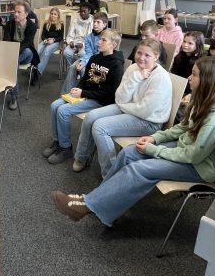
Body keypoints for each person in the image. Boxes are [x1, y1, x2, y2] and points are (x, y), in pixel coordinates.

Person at [52, 56, 215, 225]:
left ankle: (90, 205)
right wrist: (156, 137)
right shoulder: (203, 99)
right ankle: (100, 203)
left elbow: (192, 156)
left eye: (194, 74)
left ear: (208, 80)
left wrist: (153, 150)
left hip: (202, 167)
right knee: (130, 152)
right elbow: (183, 128)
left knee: (140, 168)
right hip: (189, 148)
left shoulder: (214, 119)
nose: (189, 77)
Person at [72, 38, 172, 176]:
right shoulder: (133, 69)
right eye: (139, 53)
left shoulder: (160, 78)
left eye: (147, 55)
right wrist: (136, 77)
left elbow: (145, 110)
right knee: (91, 117)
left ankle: (110, 173)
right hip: (129, 109)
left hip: (149, 121)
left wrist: (124, 105)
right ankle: (81, 157)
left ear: (156, 56)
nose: (141, 58)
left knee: (100, 127)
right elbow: (119, 98)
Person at [43, 29, 124, 165]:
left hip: (99, 101)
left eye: (104, 40)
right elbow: (84, 79)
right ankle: (57, 141)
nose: (99, 42)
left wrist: (83, 93)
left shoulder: (116, 65)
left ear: (113, 45)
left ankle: (65, 147)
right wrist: (79, 88)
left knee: (63, 111)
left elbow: (109, 93)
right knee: (55, 105)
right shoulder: (94, 58)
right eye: (100, 39)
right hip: (84, 94)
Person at [3, 0, 39, 111]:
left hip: (25, 53)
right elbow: (6, 41)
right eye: (15, 12)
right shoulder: (9, 24)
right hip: (13, 55)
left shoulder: (32, 26)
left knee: (27, 52)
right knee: (14, 64)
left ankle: (13, 94)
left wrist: (14, 53)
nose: (16, 14)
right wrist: (11, 53)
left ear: (26, 14)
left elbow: (27, 43)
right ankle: (14, 96)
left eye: (19, 12)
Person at [61, 11, 109, 93]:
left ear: (104, 24)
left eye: (98, 22)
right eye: (94, 22)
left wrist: (85, 63)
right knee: (73, 67)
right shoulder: (89, 37)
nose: (95, 24)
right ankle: (67, 94)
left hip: (102, 61)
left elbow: (101, 54)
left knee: (84, 70)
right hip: (90, 58)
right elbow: (89, 53)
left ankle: (84, 93)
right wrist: (83, 62)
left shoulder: (108, 36)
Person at [62, 4, 93, 69]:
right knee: (66, 53)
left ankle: (79, 68)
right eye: (81, 11)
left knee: (82, 54)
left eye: (84, 11)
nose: (82, 13)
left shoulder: (92, 21)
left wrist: (83, 44)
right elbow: (70, 33)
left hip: (85, 44)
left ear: (89, 11)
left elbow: (91, 37)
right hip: (75, 42)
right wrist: (70, 41)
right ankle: (75, 69)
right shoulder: (75, 20)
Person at [36, 7, 64, 77]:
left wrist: (53, 40)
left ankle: (38, 71)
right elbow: (43, 35)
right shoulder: (46, 23)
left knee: (46, 51)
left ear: (58, 15)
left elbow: (60, 37)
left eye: (55, 14)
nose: (53, 15)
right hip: (46, 40)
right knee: (38, 50)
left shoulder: (61, 24)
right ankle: (35, 67)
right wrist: (44, 39)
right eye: (51, 14)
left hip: (55, 42)